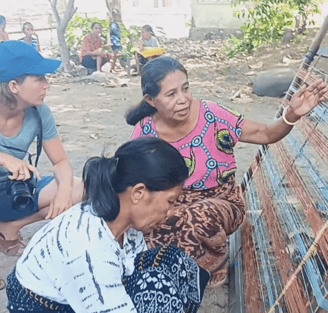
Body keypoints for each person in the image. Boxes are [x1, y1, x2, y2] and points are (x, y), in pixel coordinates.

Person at [126, 56, 328, 287]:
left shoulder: (211, 114)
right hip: (172, 203)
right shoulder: (146, 131)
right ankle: (178, 265)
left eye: (186, 89)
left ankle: (211, 264)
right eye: (171, 95)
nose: (183, 100)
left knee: (191, 220)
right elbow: (132, 179)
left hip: (221, 201)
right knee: (146, 226)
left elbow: (266, 134)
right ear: (151, 100)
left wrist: (291, 115)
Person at [6, 137, 209, 313]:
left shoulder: (123, 219)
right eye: (170, 201)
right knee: (156, 288)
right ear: (138, 193)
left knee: (174, 262)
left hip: (79, 295)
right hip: (45, 307)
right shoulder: (88, 247)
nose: (171, 212)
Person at [0, 41, 83, 256]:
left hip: (13, 191)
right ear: (13, 86)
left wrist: (64, 191)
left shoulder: (39, 112)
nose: (47, 85)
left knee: (80, 189)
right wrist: (4, 158)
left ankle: (11, 226)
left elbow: (61, 161)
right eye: (39, 79)